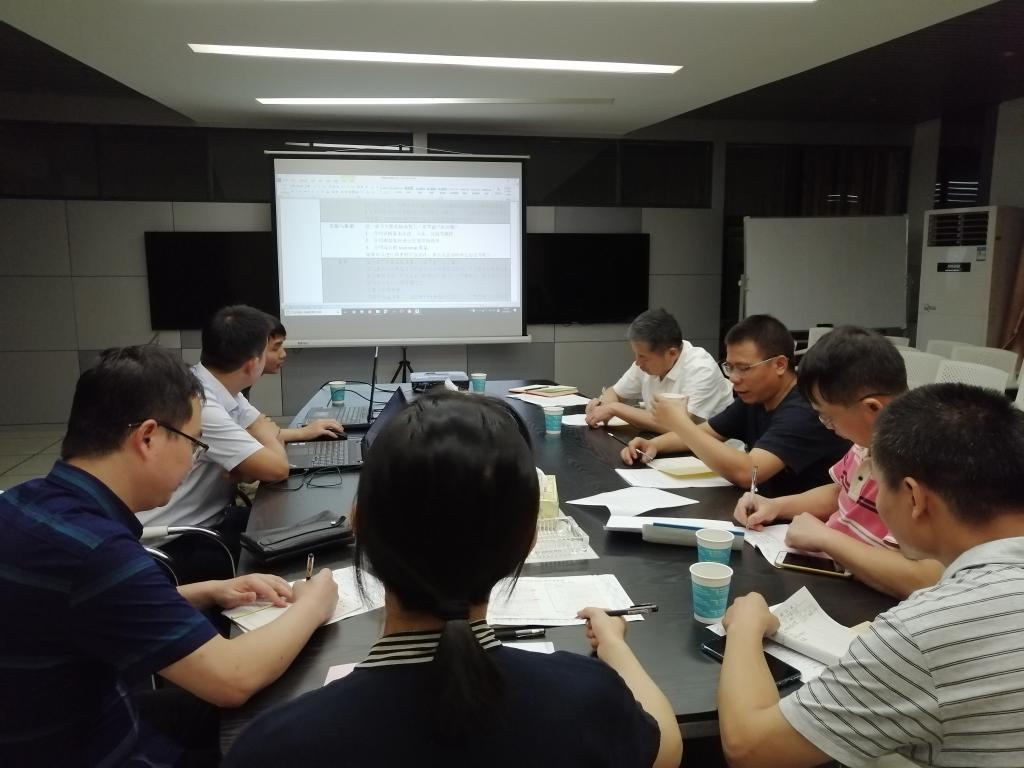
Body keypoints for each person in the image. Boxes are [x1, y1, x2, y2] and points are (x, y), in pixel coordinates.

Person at [224, 393, 683, 768]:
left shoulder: (276, 747)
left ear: (359, 528)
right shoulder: (588, 701)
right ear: (528, 540)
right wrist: (615, 647)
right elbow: (665, 749)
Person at [0, 345, 340, 768]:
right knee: (286, 725)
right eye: (195, 445)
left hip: (75, 716)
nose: (195, 460)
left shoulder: (24, 503)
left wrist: (211, 590)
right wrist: (313, 604)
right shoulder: (97, 551)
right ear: (148, 438)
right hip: (96, 748)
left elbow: (81, 607)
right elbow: (232, 678)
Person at [718, 383, 1024, 768]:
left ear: (914, 497)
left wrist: (745, 626)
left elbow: (751, 747)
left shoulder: (926, 631)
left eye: (878, 485)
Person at [733, 327, 942, 598]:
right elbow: (841, 493)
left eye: (829, 417)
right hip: (833, 572)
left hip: (871, 599)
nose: (828, 426)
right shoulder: (867, 440)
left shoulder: (924, 467)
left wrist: (826, 538)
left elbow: (926, 579)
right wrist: (776, 506)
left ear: (872, 408)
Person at [140, 305, 343, 534]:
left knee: (309, 523)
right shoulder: (203, 406)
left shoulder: (215, 384)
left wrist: (294, 434)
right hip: (181, 536)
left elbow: (259, 429)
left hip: (208, 517)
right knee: (306, 532)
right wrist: (266, 440)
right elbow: (277, 468)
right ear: (253, 363)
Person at [621, 314, 849, 497]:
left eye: (744, 368)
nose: (734, 378)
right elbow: (708, 431)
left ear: (780, 364)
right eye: (730, 367)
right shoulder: (755, 398)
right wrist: (655, 444)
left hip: (799, 522)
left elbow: (748, 473)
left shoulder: (804, 409)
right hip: (763, 509)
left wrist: (680, 423)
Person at [586, 307, 733, 431]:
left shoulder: (701, 368)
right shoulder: (645, 363)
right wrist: (602, 407)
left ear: (672, 353)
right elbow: (614, 392)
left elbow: (678, 427)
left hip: (711, 452)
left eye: (642, 356)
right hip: (661, 443)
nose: (637, 362)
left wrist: (615, 408)